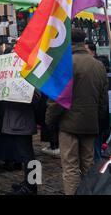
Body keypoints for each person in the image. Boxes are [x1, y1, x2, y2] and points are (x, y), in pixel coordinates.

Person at [46, 29, 108, 195]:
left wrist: (50, 121)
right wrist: (99, 123)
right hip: (90, 124)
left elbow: (57, 99)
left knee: (71, 167)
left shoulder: (65, 64)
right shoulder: (98, 65)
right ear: (84, 41)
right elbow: (103, 101)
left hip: (68, 125)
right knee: (88, 166)